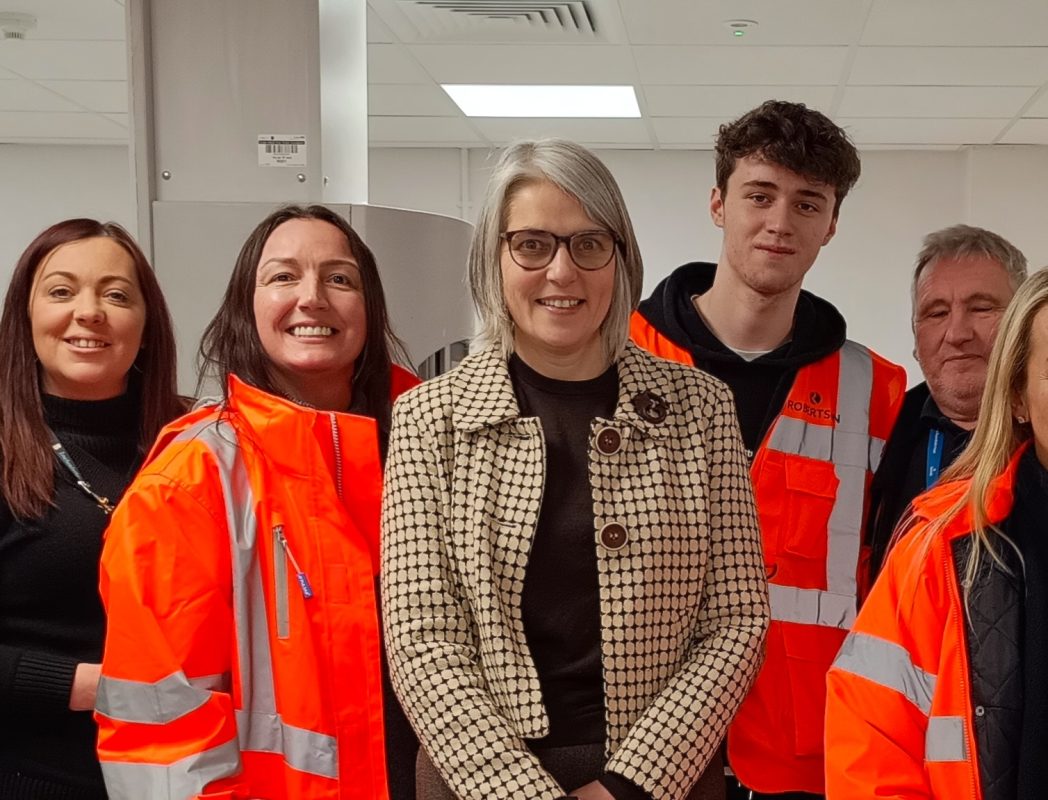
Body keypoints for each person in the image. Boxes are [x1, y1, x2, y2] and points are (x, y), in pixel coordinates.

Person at [382, 138, 770, 800]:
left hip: (660, 780)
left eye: (589, 243)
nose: (562, 272)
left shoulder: (699, 407)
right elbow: (421, 638)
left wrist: (627, 786)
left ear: (620, 260)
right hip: (479, 781)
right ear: (493, 260)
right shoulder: (428, 419)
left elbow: (736, 618)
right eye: (532, 245)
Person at [629, 100, 907, 799]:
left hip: (802, 753)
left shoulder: (876, 389)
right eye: (760, 196)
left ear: (832, 224)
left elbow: (890, 583)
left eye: (807, 203)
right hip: (641, 744)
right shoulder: (619, 359)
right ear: (719, 204)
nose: (781, 223)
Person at [95, 204, 419, 800]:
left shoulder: (424, 452)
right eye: (283, 276)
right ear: (247, 306)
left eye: (340, 278)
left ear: (369, 309)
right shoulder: (189, 481)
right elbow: (163, 738)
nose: (313, 297)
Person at [826, 266, 1048, 800]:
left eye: (980, 307)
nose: (958, 331)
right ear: (1017, 398)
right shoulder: (940, 548)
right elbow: (871, 750)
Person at [0, 218, 182, 798]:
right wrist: (89, 686)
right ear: (24, 320)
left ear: (147, 326)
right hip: (36, 774)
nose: (90, 311)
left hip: (189, 772)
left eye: (116, 294)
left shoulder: (197, 443)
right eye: (61, 291)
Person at [866, 224, 1027, 581]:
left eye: (982, 308)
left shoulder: (1043, 435)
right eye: (937, 313)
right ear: (915, 336)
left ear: (1024, 324)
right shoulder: (880, 430)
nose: (957, 334)